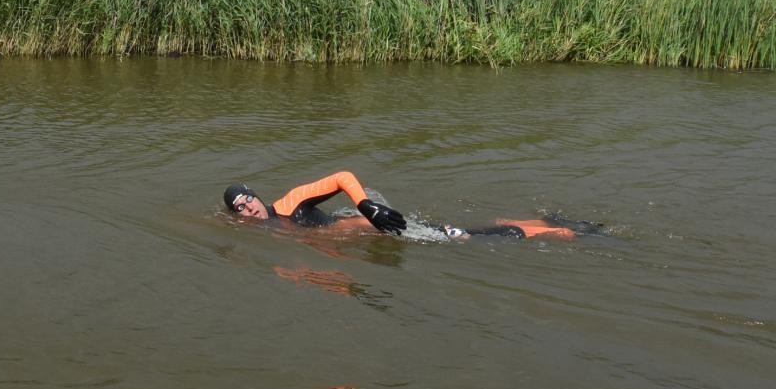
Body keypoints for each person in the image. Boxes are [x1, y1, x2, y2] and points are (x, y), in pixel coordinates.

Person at [222, 171, 601, 239]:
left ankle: (560, 231)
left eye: (247, 199)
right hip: (366, 236)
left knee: (461, 237)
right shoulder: (265, 233)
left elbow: (341, 176)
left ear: (256, 194)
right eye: (237, 208)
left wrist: (368, 207)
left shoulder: (288, 205)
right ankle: (537, 221)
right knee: (458, 232)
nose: (247, 208)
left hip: (376, 226)